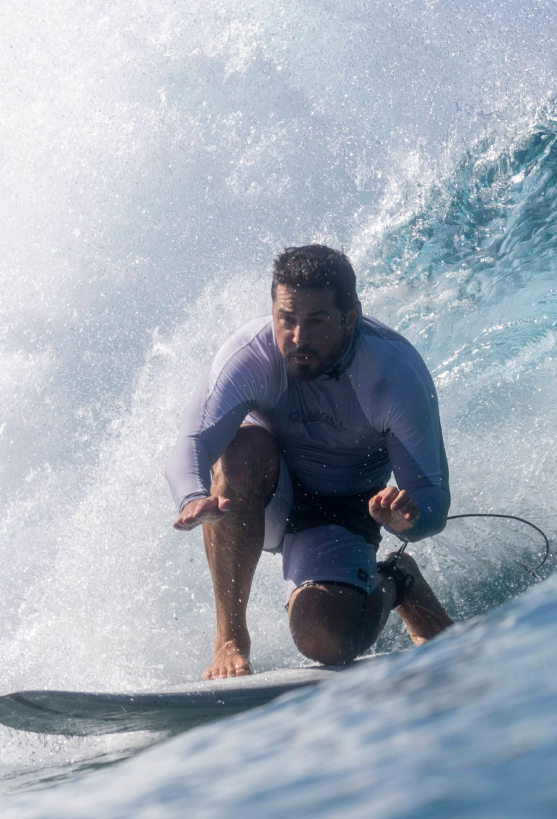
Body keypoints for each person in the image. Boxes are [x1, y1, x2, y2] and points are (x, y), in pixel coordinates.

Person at [166, 244, 454, 679]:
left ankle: (397, 580)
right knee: (239, 449)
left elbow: (433, 501)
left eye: (317, 321)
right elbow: (192, 443)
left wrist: (407, 519)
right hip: (272, 493)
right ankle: (229, 639)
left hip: (350, 506)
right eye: (287, 319)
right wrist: (191, 497)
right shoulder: (249, 357)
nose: (299, 338)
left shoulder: (394, 374)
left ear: (350, 318)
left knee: (326, 640)